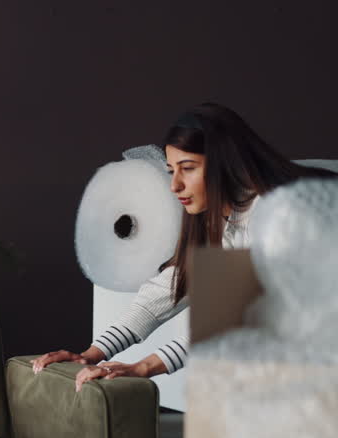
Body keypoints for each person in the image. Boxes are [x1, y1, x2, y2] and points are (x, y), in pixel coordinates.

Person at [33, 102, 337, 391]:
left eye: (188, 168)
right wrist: (92, 353)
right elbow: (168, 291)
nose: (175, 185)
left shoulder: (277, 217)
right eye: (171, 170)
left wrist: (145, 366)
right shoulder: (218, 219)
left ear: (225, 164)